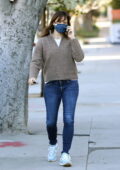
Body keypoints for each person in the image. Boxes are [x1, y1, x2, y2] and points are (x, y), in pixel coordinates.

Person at [28, 11, 84, 167]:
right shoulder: (43, 42)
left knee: (69, 119)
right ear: (53, 22)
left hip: (70, 84)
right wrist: (33, 76)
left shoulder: (70, 41)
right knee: (50, 122)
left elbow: (79, 58)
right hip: (51, 85)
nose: (62, 24)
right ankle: (53, 144)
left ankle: (65, 154)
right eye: (59, 21)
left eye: (65, 21)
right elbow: (36, 62)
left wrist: (73, 39)